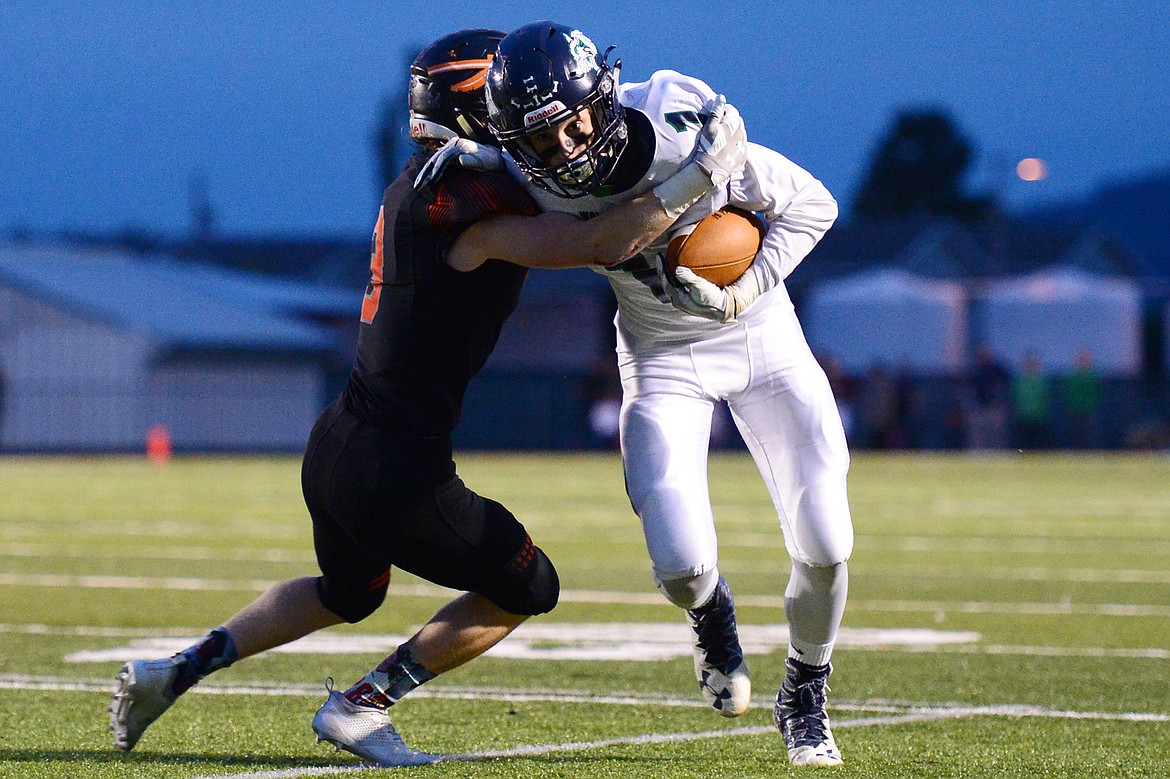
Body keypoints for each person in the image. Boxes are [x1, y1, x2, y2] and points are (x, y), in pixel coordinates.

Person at [108, 28, 745, 767]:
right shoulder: (465, 199)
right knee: (527, 584)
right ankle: (362, 704)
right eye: (504, 101)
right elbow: (598, 240)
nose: (530, 121)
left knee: (346, 592)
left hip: (339, 441)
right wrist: (698, 176)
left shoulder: (424, 183)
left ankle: (174, 670)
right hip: (396, 468)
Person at [425, 20, 851, 767]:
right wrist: (470, 153)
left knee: (827, 542)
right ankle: (712, 616)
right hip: (660, 356)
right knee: (681, 563)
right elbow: (527, 186)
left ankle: (805, 688)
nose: (565, 149)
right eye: (539, 141)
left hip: (762, 336)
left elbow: (813, 205)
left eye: (573, 122)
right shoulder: (529, 171)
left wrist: (742, 290)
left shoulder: (685, 128)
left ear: (601, 93)